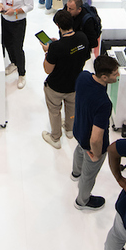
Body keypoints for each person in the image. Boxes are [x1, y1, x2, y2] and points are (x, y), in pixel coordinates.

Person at [71, 55, 120, 211]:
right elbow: (96, 138)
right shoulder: (104, 103)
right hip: (91, 142)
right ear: (104, 77)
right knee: (89, 174)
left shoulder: (83, 76)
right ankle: (82, 201)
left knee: (79, 150)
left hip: (78, 129)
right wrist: (97, 154)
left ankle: (75, 173)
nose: (118, 75)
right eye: (115, 73)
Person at [40, 9, 91, 149]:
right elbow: (82, 54)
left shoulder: (55, 48)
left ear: (58, 25)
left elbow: (47, 69)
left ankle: (55, 138)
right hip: (75, 84)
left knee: (54, 111)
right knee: (72, 108)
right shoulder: (83, 37)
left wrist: (47, 52)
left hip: (56, 86)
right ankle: (69, 130)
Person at [0, 0, 34, 89]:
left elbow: (30, 6)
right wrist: (1, 4)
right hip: (5, 19)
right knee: (7, 44)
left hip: (18, 22)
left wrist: (15, 11)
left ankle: (22, 73)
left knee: (18, 48)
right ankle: (13, 63)